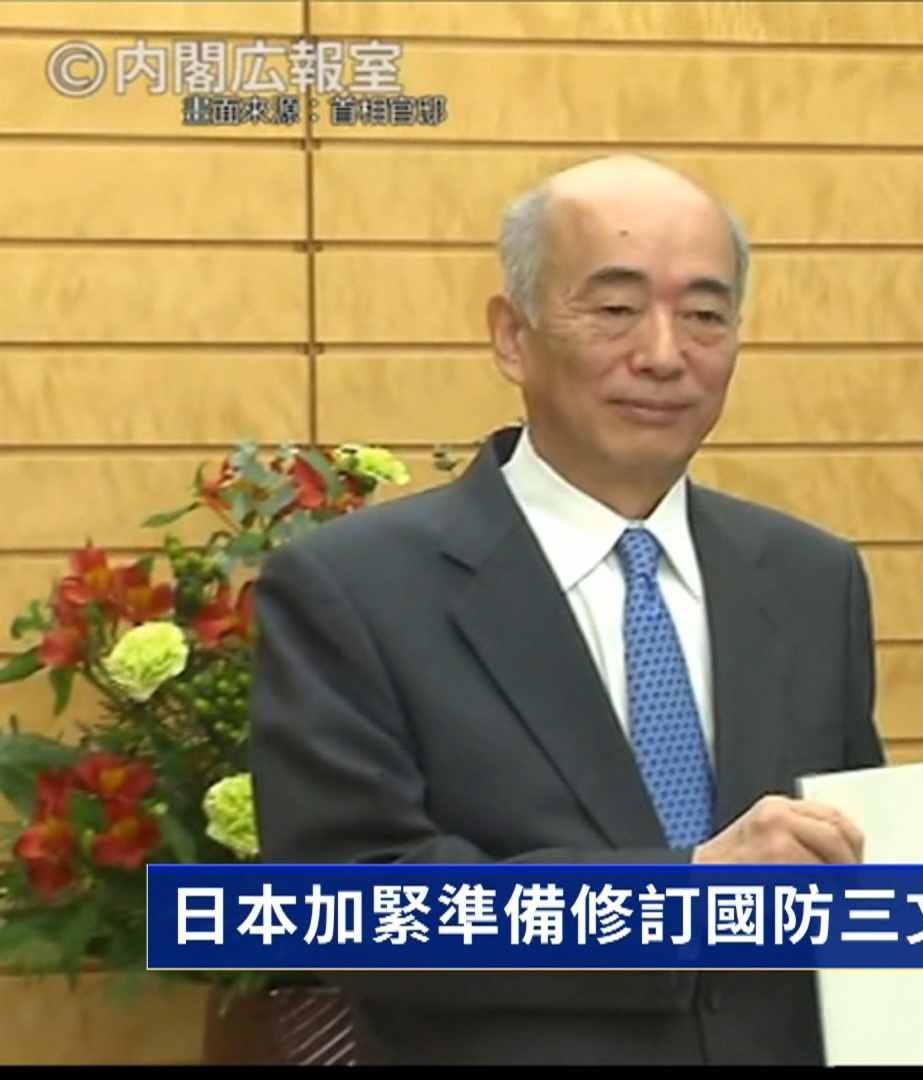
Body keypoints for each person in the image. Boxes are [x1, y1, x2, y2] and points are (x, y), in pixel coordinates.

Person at [248, 155, 886, 1065]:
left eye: (705, 315)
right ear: (512, 337)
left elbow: (850, 874)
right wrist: (689, 895)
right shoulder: (353, 588)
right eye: (616, 308)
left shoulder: (812, 577)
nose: (663, 354)